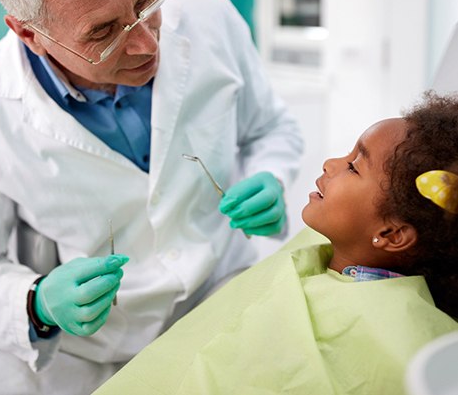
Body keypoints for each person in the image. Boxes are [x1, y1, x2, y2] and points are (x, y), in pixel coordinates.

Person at [0, 0, 303, 395]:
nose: (147, 41)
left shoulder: (210, 16)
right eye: (103, 31)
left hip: (226, 295)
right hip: (92, 348)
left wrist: (271, 174)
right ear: (28, 32)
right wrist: (36, 303)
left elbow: (271, 129)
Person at [92, 91, 458, 395]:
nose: (331, 162)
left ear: (392, 234)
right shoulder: (323, 247)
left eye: (353, 167)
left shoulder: (407, 344)